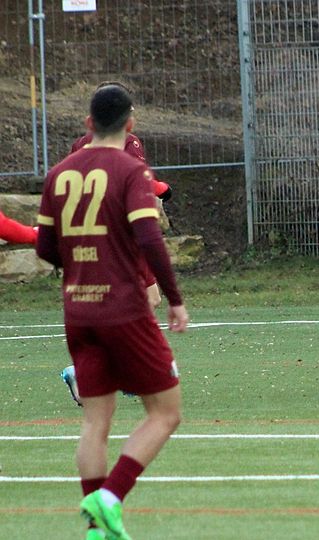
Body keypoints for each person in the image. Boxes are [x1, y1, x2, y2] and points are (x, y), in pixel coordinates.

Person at [35, 83, 189, 540]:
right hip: (122, 308)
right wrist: (174, 298)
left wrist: (80, 265)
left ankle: (96, 529)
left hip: (78, 311)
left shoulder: (59, 173)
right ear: (130, 123)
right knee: (165, 412)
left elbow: (45, 248)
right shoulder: (130, 169)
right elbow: (149, 238)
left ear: (88, 124)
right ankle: (111, 497)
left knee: (95, 422)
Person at [61, 81, 175, 407]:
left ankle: (104, 372)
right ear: (126, 116)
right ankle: (122, 371)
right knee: (148, 299)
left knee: (118, 307)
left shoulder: (78, 145)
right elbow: (138, 180)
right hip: (122, 238)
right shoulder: (129, 141)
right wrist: (163, 190)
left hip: (88, 241)